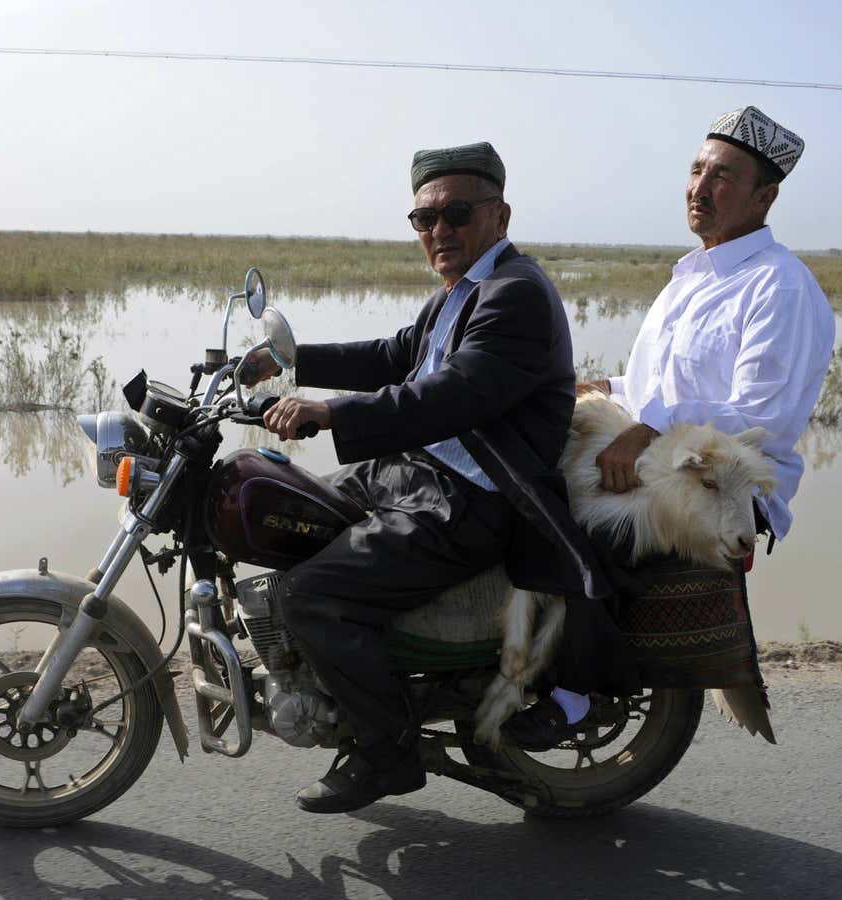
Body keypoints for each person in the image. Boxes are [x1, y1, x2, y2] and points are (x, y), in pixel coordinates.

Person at [241, 142, 628, 814]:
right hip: (416, 473)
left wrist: (329, 413)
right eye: (424, 220)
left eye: (456, 214)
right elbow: (399, 356)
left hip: (475, 497)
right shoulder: (463, 291)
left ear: (498, 216)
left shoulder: (516, 296)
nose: (439, 232)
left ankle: (386, 753)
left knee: (313, 596)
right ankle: (334, 681)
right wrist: (292, 360)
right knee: (291, 516)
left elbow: (451, 395)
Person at [505, 106, 836, 746]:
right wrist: (605, 391)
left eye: (724, 177)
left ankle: (576, 693)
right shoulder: (689, 278)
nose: (700, 188)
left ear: (765, 196)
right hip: (666, 458)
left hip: (730, 483)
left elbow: (760, 420)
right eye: (696, 170)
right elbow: (659, 391)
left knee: (581, 527)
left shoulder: (779, 286)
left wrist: (645, 429)